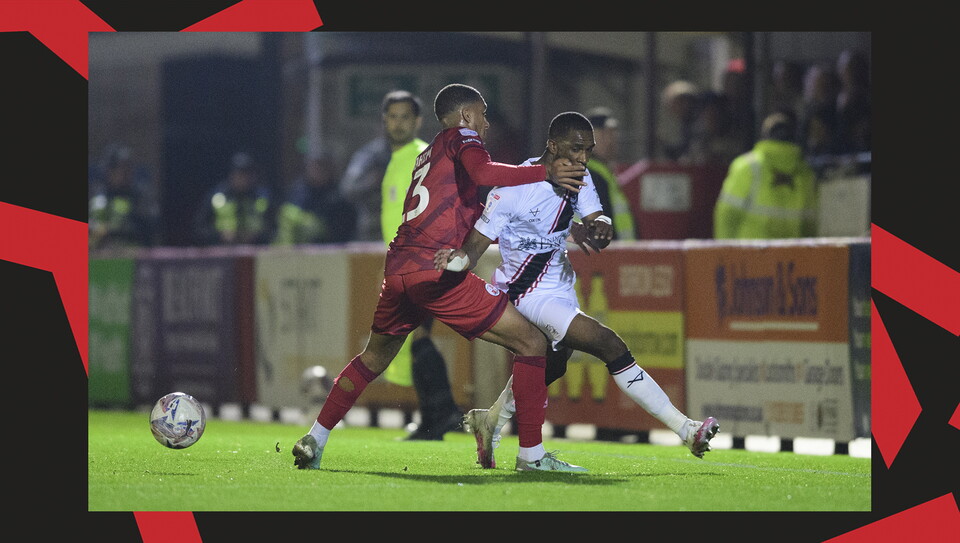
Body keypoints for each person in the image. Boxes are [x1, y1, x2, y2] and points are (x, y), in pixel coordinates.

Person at [291, 83, 589, 472]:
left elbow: (465, 205)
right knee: (532, 341)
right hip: (434, 269)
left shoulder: (426, 154)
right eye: (482, 114)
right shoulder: (461, 138)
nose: (485, 124)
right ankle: (532, 457)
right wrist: (544, 170)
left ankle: (315, 437)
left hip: (399, 269)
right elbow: (484, 172)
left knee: (373, 357)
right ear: (465, 115)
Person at [434, 111, 720, 470]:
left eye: (588, 149)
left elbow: (595, 218)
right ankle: (687, 429)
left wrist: (601, 227)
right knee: (608, 344)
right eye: (576, 149)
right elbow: (474, 248)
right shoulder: (511, 191)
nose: (584, 157)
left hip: (561, 285)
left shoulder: (579, 177)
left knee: (551, 365)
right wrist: (454, 261)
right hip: (529, 292)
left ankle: (491, 419)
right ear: (552, 146)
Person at [377, 90, 462, 441]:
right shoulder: (398, 159)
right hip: (408, 263)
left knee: (418, 335)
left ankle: (443, 414)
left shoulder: (420, 157)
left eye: (404, 117)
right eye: (392, 116)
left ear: (417, 122)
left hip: (421, 260)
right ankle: (434, 418)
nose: (398, 123)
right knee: (416, 336)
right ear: (385, 121)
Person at [713, 110, 818, 239]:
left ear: (765, 135)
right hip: (790, 257)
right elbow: (811, 226)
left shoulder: (746, 166)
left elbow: (727, 214)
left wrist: (725, 253)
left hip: (749, 255)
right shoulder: (806, 173)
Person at [273, 151, 356, 245]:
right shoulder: (297, 191)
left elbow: (344, 227)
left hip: (331, 248)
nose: (318, 171)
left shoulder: (339, 195)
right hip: (297, 250)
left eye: (322, 167)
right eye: (314, 167)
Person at [88, 143, 159, 250]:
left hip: (135, 259)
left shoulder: (140, 197)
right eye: (120, 168)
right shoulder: (99, 200)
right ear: (109, 171)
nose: (126, 172)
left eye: (128, 167)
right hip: (104, 259)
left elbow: (151, 229)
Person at [195, 151, 274, 245]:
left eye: (247, 174)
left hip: (255, 252)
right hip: (222, 253)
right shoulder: (217, 196)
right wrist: (220, 235)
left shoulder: (263, 197)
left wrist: (257, 236)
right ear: (232, 175)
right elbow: (199, 229)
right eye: (240, 174)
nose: (243, 179)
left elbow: (274, 229)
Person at [584, 107, 636, 240]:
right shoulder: (590, 175)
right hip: (604, 258)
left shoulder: (602, 172)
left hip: (617, 257)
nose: (612, 140)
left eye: (613, 133)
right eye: (606, 134)